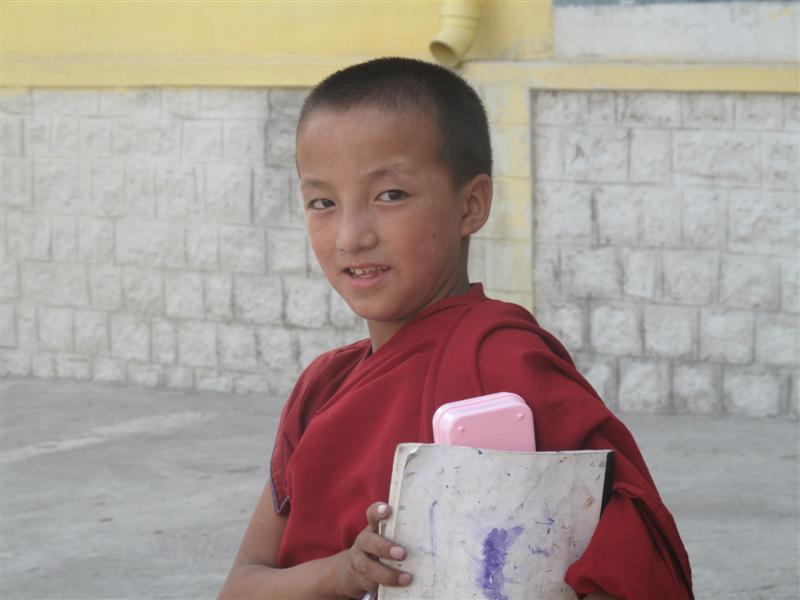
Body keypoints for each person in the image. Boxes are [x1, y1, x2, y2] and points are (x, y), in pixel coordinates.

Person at [219, 57, 693, 600]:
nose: (351, 236)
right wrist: (344, 574)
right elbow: (241, 588)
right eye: (322, 202)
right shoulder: (321, 388)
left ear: (471, 205)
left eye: (390, 195)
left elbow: (632, 571)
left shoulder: (503, 363)